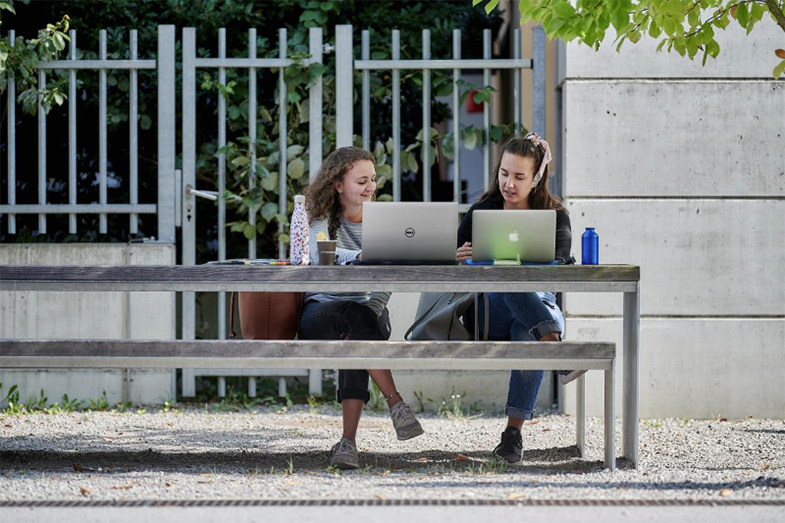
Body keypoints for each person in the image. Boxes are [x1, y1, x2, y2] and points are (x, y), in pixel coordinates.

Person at [455, 133, 583, 465]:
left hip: (535, 310)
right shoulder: (481, 211)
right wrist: (460, 256)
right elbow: (452, 265)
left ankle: (512, 437)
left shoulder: (555, 215)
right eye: (504, 173)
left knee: (529, 330)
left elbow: (561, 265)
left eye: (519, 176)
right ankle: (557, 349)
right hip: (489, 311)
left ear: (537, 177)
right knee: (504, 274)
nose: (509, 183)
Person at [299, 146, 424, 470]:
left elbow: (387, 281)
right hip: (321, 310)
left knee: (357, 330)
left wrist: (372, 307)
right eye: (361, 181)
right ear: (338, 185)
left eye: (373, 179)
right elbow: (320, 251)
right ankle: (395, 402)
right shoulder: (319, 216)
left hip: (368, 313)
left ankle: (348, 444)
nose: (370, 187)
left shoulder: (384, 222)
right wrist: (358, 256)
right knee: (353, 321)